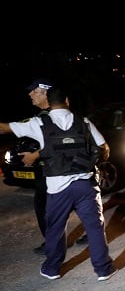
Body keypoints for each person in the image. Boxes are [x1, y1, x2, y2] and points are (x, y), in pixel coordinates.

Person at [0, 86, 117, 281]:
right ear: (67, 101)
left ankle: (52, 269)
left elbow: (4, 128)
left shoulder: (38, 123)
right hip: (85, 184)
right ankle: (103, 269)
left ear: (49, 101)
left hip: (57, 187)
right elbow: (104, 148)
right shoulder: (84, 122)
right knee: (95, 227)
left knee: (55, 228)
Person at [21, 78, 54, 255]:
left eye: (34, 91)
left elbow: (55, 143)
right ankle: (93, 231)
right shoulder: (53, 114)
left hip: (51, 169)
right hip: (55, 168)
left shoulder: (48, 116)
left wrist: (35, 155)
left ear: (45, 93)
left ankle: (52, 244)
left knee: (42, 205)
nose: (30, 94)